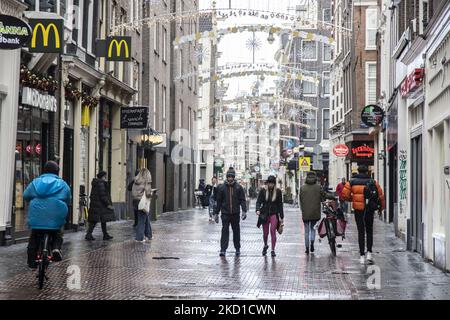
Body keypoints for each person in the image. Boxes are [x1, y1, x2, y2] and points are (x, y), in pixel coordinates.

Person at [24, 161, 71, 268]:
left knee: (34, 235)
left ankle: (31, 260)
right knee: (58, 231)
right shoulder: (62, 184)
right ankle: (55, 248)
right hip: (56, 214)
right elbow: (68, 199)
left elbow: (25, 195)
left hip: (37, 215)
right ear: (57, 171)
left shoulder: (35, 182)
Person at [342, 164, 385, 264]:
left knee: (361, 231)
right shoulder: (372, 181)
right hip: (369, 209)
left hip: (358, 210)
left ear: (358, 171)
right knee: (369, 230)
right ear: (367, 172)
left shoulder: (351, 182)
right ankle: (369, 253)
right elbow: (381, 195)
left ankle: (361, 255)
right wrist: (381, 208)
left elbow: (344, 195)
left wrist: (353, 199)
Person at [214, 167, 247, 257]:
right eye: (229, 177)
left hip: (235, 213)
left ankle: (237, 249)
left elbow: (242, 200)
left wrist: (244, 210)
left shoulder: (238, 187)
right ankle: (223, 249)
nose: (230, 178)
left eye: (231, 177)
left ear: (234, 177)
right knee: (225, 231)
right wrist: (216, 213)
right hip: (225, 213)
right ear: (227, 177)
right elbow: (219, 201)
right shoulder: (221, 187)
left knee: (236, 231)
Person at [299, 172, 330, 254]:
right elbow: (323, 197)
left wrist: (302, 210)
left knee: (306, 231)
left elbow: (301, 200)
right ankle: (312, 243)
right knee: (313, 229)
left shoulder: (302, 188)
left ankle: (307, 248)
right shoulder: (318, 187)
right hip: (315, 212)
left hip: (305, 212)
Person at [256, 175, 284, 257]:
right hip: (264, 214)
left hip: (274, 214)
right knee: (265, 233)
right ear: (267, 183)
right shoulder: (263, 191)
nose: (270, 185)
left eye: (272, 183)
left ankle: (273, 250)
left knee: (272, 231)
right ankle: (265, 245)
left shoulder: (278, 192)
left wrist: (281, 216)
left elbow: (280, 204)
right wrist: (257, 209)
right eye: (269, 183)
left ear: (274, 184)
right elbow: (258, 202)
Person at [85, 171, 115, 241]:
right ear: (103, 176)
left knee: (102, 219)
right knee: (95, 220)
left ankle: (105, 234)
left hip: (96, 204)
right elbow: (103, 196)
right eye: (105, 176)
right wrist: (108, 204)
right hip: (99, 205)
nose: (106, 178)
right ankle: (89, 234)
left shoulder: (96, 183)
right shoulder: (101, 183)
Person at [131, 168, 153, 242]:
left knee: (145, 218)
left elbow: (132, 191)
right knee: (141, 220)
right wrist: (151, 195)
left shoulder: (135, 181)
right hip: (142, 202)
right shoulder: (146, 181)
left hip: (135, 201)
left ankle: (149, 235)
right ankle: (139, 238)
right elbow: (148, 193)